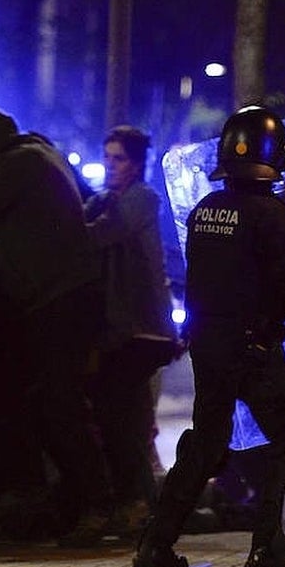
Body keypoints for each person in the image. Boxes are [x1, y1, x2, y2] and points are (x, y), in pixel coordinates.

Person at [132, 105, 285, 567]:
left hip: (209, 343)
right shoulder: (275, 217)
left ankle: (155, 546)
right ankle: (273, 554)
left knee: (205, 443)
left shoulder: (206, 209)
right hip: (253, 347)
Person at [0, 107, 111, 544]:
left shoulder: (21, 162)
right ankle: (74, 504)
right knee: (47, 406)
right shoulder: (35, 155)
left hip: (61, 300)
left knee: (61, 406)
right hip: (58, 299)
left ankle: (97, 506)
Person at [83, 125, 180, 542]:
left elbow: (102, 234)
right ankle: (138, 504)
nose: (110, 166)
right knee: (123, 417)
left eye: (118, 158)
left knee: (121, 416)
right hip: (120, 331)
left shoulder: (141, 199)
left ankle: (139, 505)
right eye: (107, 157)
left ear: (136, 164)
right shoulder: (105, 201)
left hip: (142, 330)